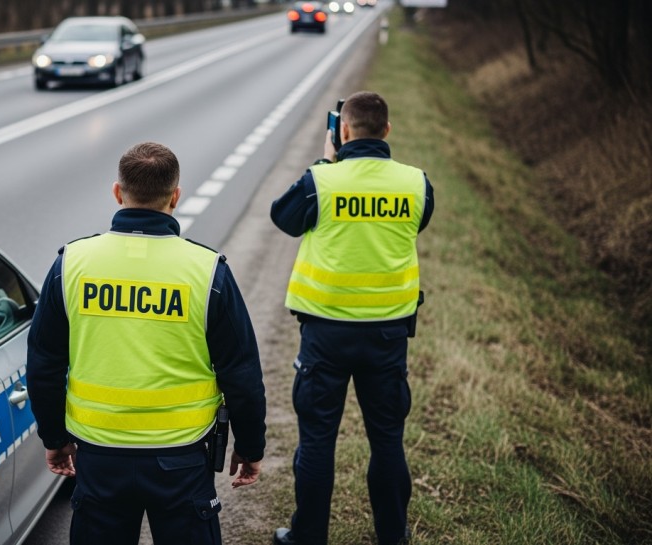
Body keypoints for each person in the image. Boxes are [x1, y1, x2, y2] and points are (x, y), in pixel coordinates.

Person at [26, 141, 267, 545]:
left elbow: (44, 364)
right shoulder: (207, 272)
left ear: (118, 194)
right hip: (182, 459)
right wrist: (250, 445)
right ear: (175, 196)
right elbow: (241, 372)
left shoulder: (71, 263)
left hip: (99, 455)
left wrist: (54, 438)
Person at [270, 91, 434, 545]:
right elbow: (417, 223)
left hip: (325, 336)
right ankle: (391, 538)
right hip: (387, 337)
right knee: (386, 441)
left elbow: (282, 217)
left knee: (318, 442)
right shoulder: (416, 183)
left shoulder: (321, 182)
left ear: (342, 132)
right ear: (387, 131)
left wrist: (326, 165)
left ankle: (307, 538)